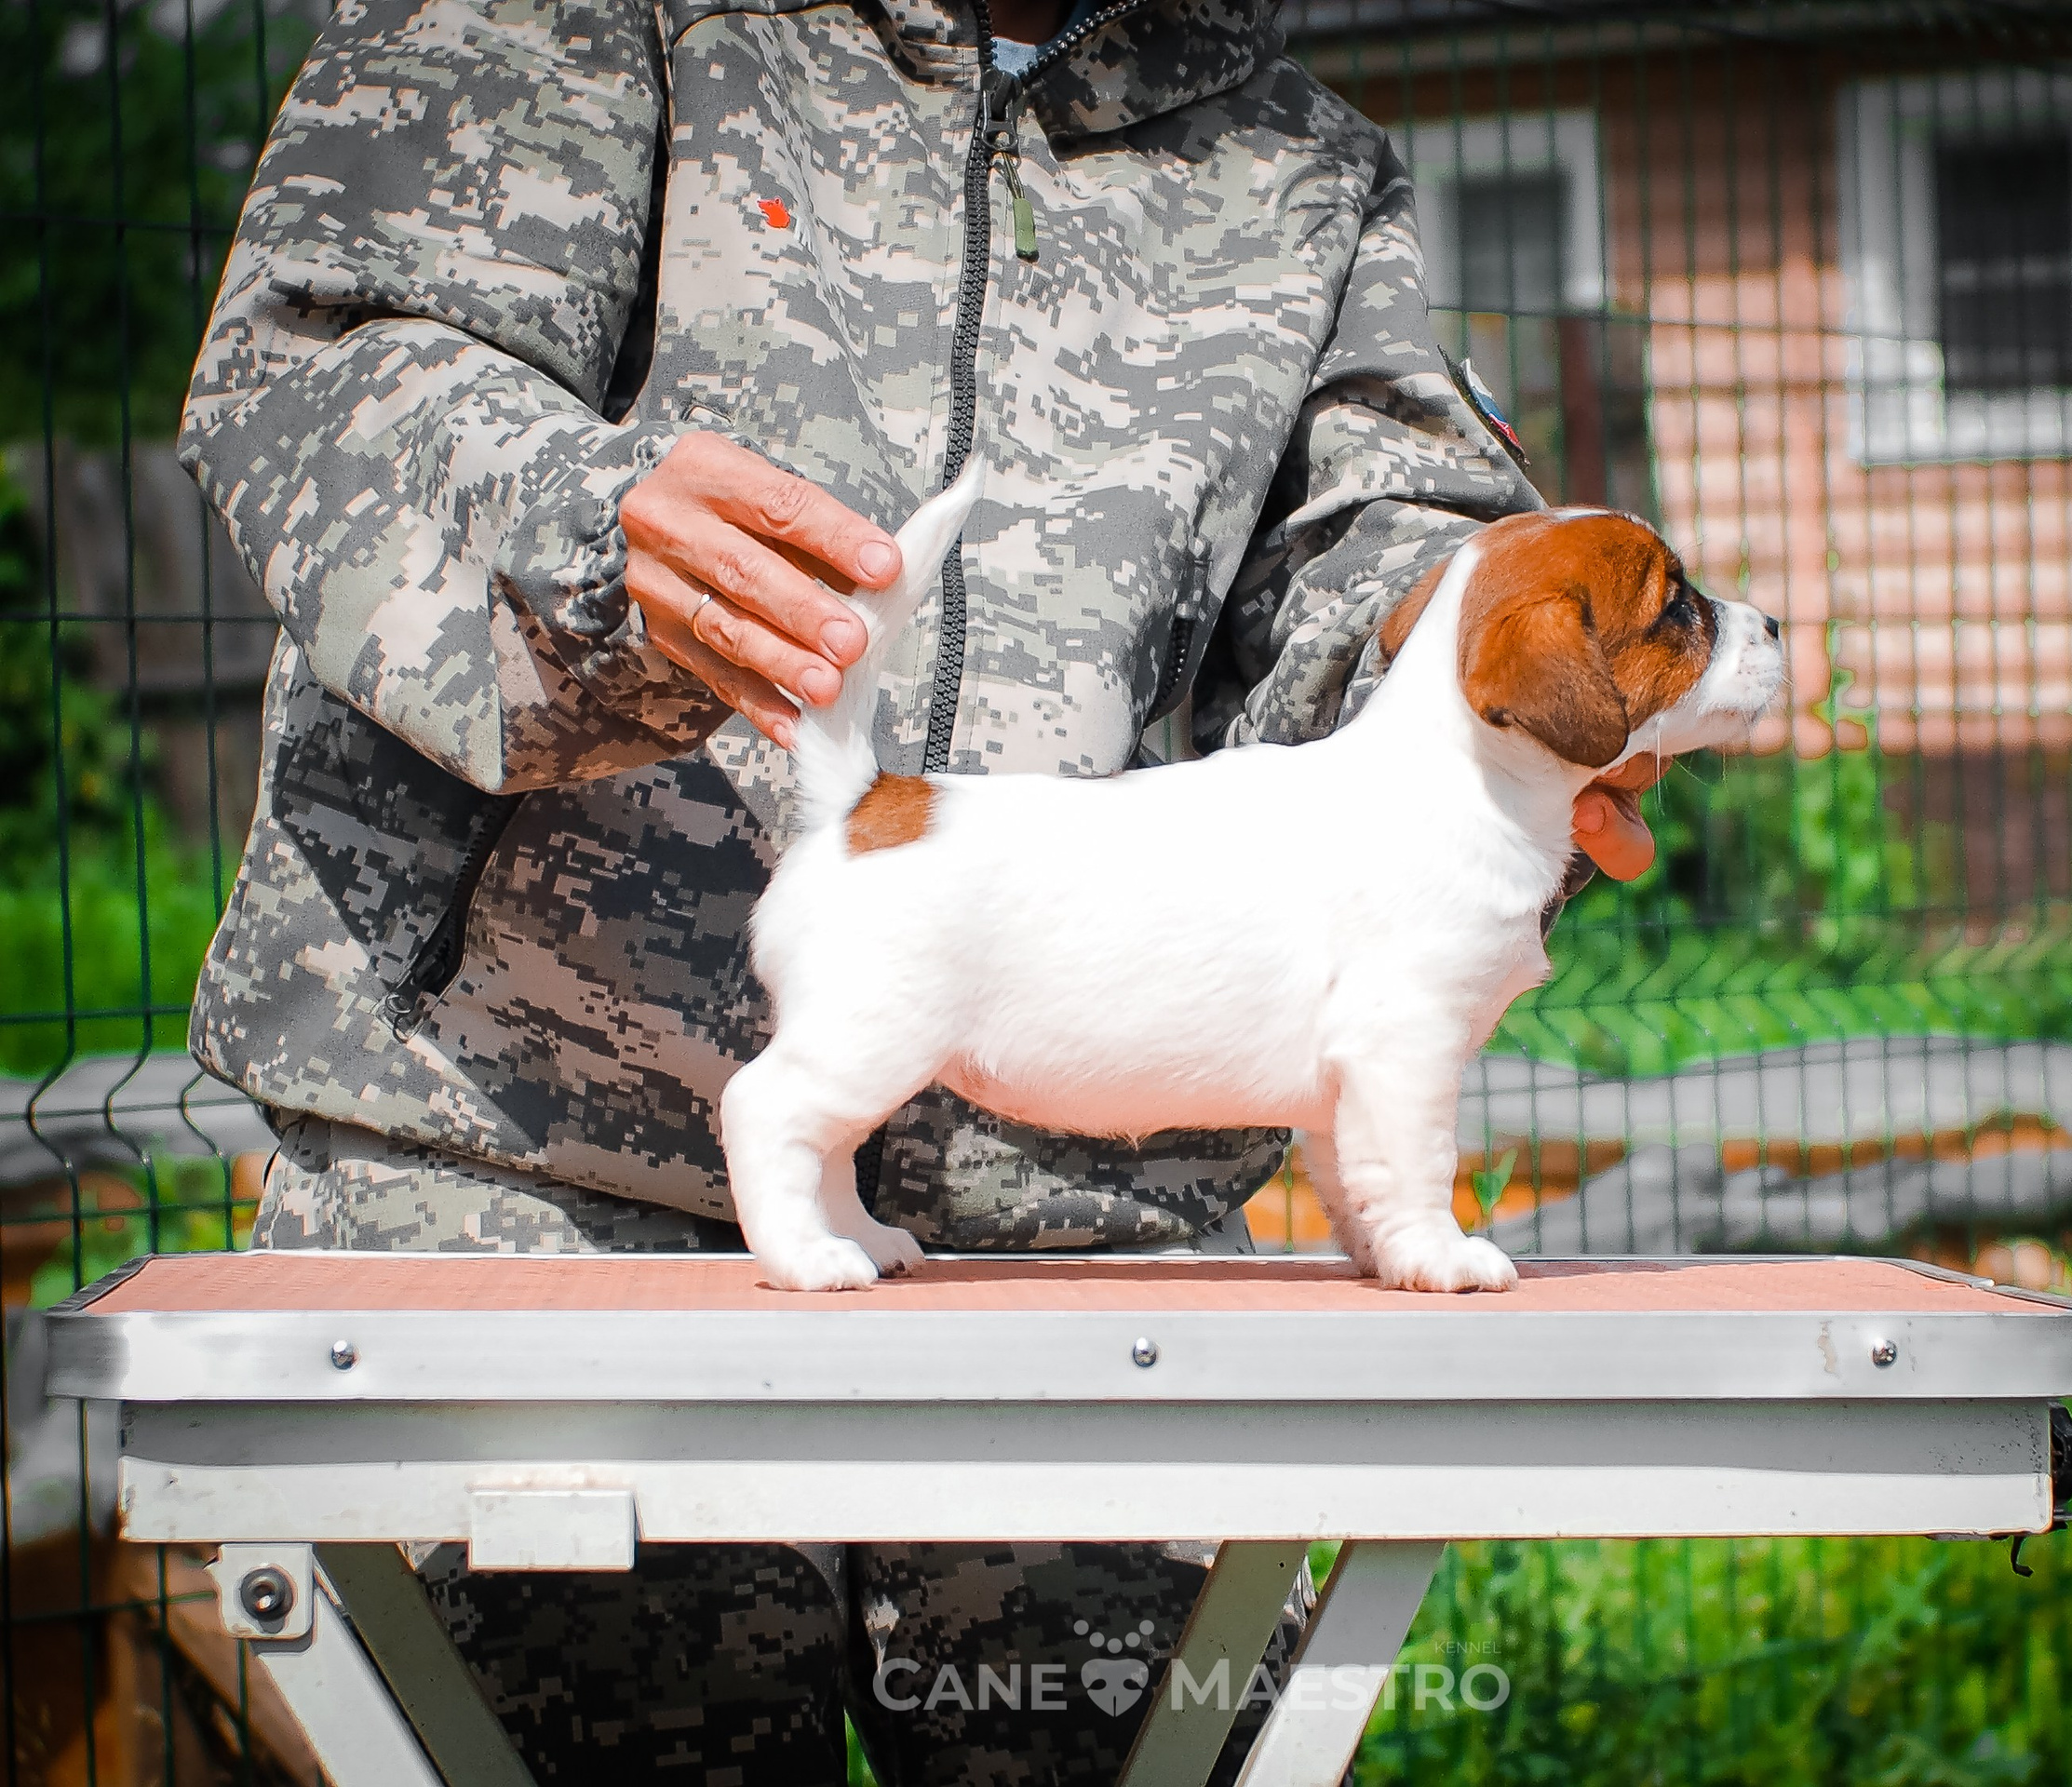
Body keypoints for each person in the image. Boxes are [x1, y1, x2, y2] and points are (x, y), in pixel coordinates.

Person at [177, 0, 1664, 1776]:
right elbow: (322, 366)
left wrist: (1484, 681)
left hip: (1101, 1239)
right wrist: (595, 531)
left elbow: (1380, 537)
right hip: (529, 1184)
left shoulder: (1302, 162)